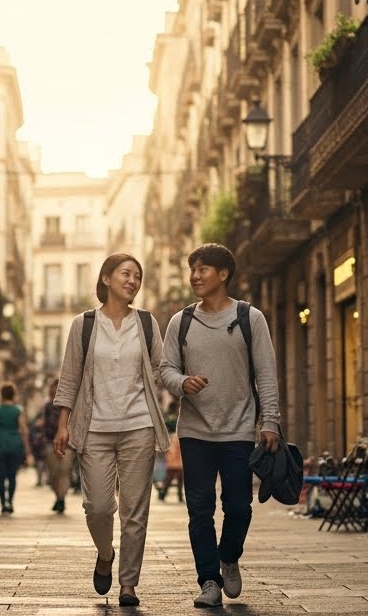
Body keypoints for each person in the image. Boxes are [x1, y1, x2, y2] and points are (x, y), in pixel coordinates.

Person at [158, 243, 281, 608]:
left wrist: (270, 421)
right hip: (195, 431)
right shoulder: (180, 321)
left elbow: (266, 374)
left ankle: (229, 556)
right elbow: (165, 369)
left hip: (239, 431)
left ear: (223, 274)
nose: (195, 275)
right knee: (199, 508)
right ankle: (209, 580)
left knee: (239, 507)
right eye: (192, 268)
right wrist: (183, 383)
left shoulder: (250, 317)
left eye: (203, 269)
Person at [53, 253, 171, 608]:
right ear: (106, 278)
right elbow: (70, 376)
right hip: (95, 429)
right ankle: (105, 554)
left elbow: (161, 370)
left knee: (135, 509)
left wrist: (184, 380)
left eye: (138, 276)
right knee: (99, 507)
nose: (132, 280)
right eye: (125, 274)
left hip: (139, 426)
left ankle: (129, 584)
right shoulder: (84, 324)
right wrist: (63, 424)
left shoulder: (148, 324)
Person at [0, 382, 29, 515]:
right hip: (14, 444)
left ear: (1, 394)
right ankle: (10, 502)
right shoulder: (18, 410)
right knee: (12, 476)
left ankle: (2, 504)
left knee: (0, 476)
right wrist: (27, 447)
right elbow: (23, 429)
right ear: (14, 395)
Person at [41, 378, 71, 513]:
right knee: (53, 474)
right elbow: (44, 424)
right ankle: (58, 496)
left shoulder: (71, 406)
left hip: (68, 444)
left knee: (64, 472)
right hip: (50, 442)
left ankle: (61, 499)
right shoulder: (47, 406)